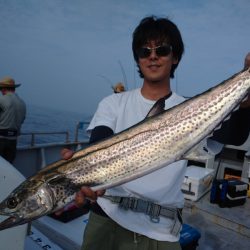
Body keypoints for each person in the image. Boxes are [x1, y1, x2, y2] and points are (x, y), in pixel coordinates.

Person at [62, 16, 250, 250]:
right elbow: (99, 148)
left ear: (175, 57)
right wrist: (81, 175)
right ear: (137, 59)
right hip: (106, 219)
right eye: (144, 50)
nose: (152, 56)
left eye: (161, 49)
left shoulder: (194, 108)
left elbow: (233, 136)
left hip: (160, 230)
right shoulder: (113, 103)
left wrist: (245, 99)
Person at [0, 76, 26, 163]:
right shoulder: (22, 103)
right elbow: (22, 120)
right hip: (13, 142)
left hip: (1, 140)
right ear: (14, 88)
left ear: (3, 89)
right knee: (7, 168)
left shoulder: (1, 100)